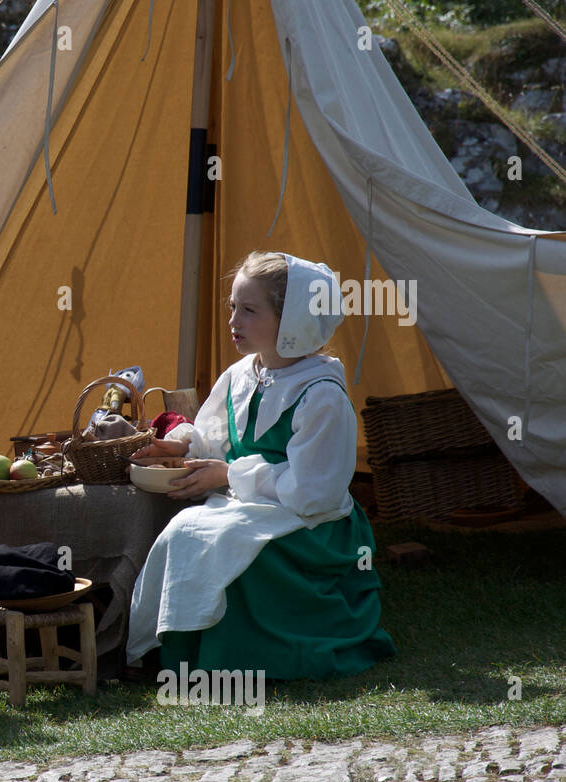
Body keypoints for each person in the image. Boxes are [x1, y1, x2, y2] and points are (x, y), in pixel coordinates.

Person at [126, 251, 395, 680]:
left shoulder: (321, 394)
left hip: (313, 525)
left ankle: (234, 664)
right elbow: (212, 439)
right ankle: (174, 659)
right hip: (250, 505)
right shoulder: (239, 376)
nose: (234, 321)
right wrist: (179, 445)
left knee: (230, 538)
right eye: (233, 307)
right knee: (185, 529)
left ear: (293, 320)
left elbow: (313, 492)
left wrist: (229, 475)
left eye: (249, 311)